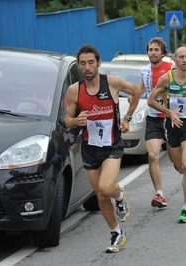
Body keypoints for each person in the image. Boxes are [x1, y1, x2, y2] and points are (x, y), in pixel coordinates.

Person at [65, 44, 141, 253]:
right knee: (99, 195)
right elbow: (68, 120)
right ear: (79, 66)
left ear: (98, 63)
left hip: (112, 145)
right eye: (83, 63)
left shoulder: (112, 83)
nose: (87, 67)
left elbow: (136, 92)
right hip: (90, 147)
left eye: (91, 62)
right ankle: (117, 233)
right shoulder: (75, 90)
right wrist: (76, 120)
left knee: (107, 188)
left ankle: (119, 195)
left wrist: (126, 118)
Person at [147, 46, 186, 223]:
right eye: (181, 57)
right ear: (175, 59)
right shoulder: (167, 79)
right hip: (171, 125)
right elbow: (151, 100)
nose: (185, 60)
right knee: (179, 166)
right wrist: (169, 112)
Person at [138, 37, 173, 208]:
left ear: (163, 53)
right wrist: (132, 95)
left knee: (178, 163)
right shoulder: (144, 71)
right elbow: (142, 88)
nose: (152, 53)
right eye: (150, 50)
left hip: (171, 118)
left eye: (156, 50)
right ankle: (159, 194)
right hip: (153, 118)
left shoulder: (171, 69)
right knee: (152, 156)